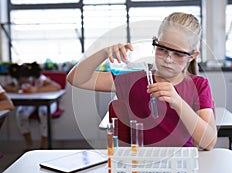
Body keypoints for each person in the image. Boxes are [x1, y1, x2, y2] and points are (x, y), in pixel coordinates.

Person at [67, 12, 217, 150]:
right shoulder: (133, 80)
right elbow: (76, 79)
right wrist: (104, 52)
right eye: (162, 49)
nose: (168, 59)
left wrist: (178, 102)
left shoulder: (199, 85)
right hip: (142, 164)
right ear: (154, 42)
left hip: (182, 165)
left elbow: (209, 143)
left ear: (192, 55)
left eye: (178, 54)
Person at [4, 62, 61, 151]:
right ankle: (29, 143)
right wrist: (14, 89)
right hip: (31, 103)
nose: (24, 81)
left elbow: (57, 87)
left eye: (26, 80)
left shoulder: (40, 79)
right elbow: (5, 87)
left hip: (45, 102)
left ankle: (44, 144)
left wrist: (37, 89)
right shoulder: (18, 80)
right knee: (21, 113)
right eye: (21, 80)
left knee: (43, 112)